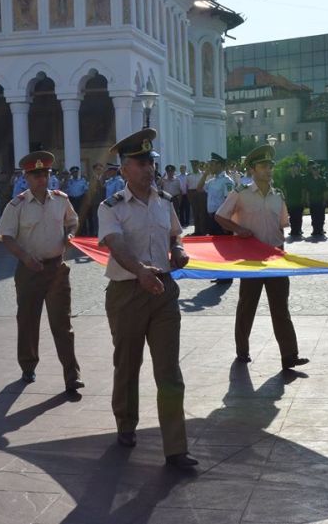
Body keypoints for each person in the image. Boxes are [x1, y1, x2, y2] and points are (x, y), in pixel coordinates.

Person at [97, 128, 197, 469]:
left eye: (150, 162)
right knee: (127, 364)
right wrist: (140, 271)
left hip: (165, 292)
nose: (148, 169)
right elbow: (117, 245)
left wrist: (178, 250)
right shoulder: (110, 207)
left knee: (169, 370)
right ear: (124, 169)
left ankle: (176, 448)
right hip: (128, 292)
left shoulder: (165, 202)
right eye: (140, 163)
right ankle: (126, 422)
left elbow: (175, 235)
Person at [0, 151, 83, 394]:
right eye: (36, 175)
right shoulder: (17, 204)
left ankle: (72, 376)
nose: (41, 179)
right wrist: (24, 257)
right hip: (29, 270)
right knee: (28, 321)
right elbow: (6, 236)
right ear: (27, 177)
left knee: (62, 324)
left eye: (45, 173)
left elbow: (72, 221)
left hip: (56, 269)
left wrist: (71, 234)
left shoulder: (61, 199)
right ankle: (28, 365)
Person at [215, 144, 310, 372]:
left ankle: (289, 355)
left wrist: (283, 255)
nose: (269, 169)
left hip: (275, 258)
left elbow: (282, 227)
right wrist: (238, 230)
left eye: (270, 165)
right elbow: (220, 216)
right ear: (252, 169)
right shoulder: (241, 193)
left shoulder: (278, 195)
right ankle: (242, 350)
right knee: (247, 306)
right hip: (251, 260)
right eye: (263, 166)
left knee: (281, 308)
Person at [199, 153, 235, 237]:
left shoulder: (227, 181)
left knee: (224, 246)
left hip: (221, 219)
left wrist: (225, 222)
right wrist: (205, 175)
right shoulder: (212, 181)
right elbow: (199, 188)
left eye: (212, 165)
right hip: (211, 218)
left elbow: (229, 201)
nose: (209, 167)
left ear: (219, 165)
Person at [283, 161, 306, 238]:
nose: (293, 169)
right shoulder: (287, 178)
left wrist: (303, 199)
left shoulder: (301, 177)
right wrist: (286, 199)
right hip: (290, 200)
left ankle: (298, 230)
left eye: (295, 167)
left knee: (298, 216)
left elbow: (303, 189)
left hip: (298, 199)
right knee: (292, 216)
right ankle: (293, 230)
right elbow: (285, 189)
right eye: (292, 168)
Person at [304, 160, 327, 237]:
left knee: (321, 216)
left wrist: (324, 200)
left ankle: (320, 229)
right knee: (314, 216)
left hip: (320, 201)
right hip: (312, 200)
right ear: (312, 171)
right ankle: (315, 230)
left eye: (317, 169)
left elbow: (324, 191)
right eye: (314, 169)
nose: (315, 171)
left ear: (319, 170)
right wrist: (307, 200)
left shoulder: (322, 179)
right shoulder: (309, 180)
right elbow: (307, 191)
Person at [186, 160, 205, 235]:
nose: (194, 166)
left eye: (195, 165)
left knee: (202, 212)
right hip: (192, 193)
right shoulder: (189, 175)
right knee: (195, 212)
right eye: (193, 165)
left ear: (198, 165)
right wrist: (189, 197)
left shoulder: (203, 174)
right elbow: (187, 187)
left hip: (201, 193)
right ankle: (197, 230)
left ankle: (203, 230)